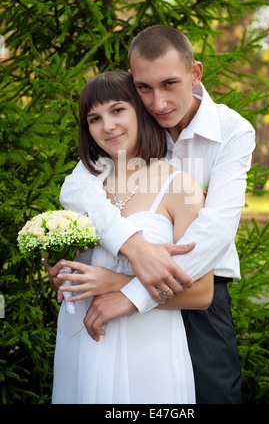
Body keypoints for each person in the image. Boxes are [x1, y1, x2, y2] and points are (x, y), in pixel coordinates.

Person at [51, 25, 256, 403]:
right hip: (119, 294)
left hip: (198, 294)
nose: (158, 101)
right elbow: (78, 188)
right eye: (144, 87)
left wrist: (130, 293)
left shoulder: (232, 131)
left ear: (195, 74)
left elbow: (215, 232)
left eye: (169, 84)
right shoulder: (132, 126)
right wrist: (133, 246)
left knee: (214, 396)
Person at [49, 70, 213, 404]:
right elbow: (82, 268)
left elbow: (201, 293)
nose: (107, 125)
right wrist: (67, 279)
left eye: (117, 110)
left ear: (140, 110)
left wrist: (115, 283)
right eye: (94, 118)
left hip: (148, 346)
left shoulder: (179, 186)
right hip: (83, 339)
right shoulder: (85, 190)